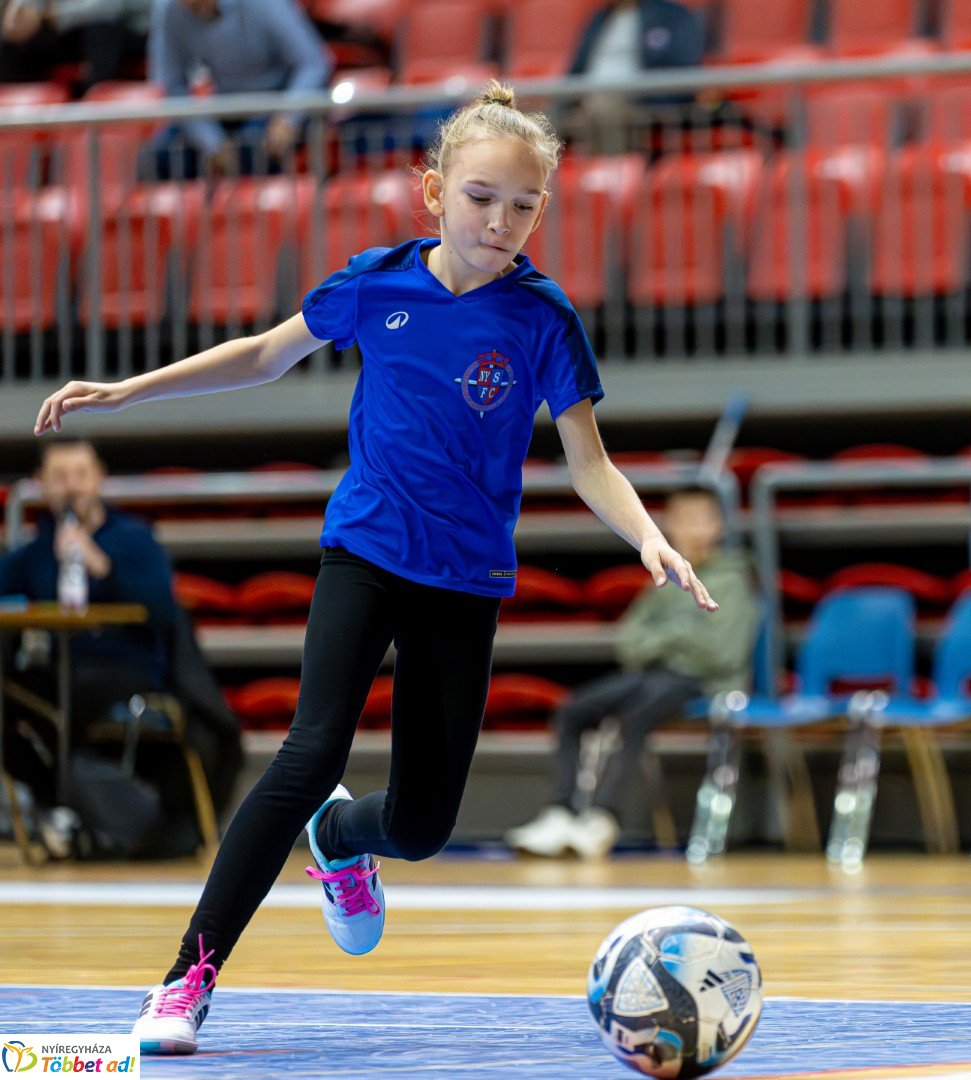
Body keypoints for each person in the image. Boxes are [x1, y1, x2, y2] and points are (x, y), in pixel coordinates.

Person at [33, 79, 717, 1055]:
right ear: (432, 190)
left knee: (425, 823)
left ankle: (344, 842)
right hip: (367, 548)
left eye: (525, 206)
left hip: (467, 578)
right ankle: (187, 978)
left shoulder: (542, 319)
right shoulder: (376, 283)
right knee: (308, 752)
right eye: (481, 197)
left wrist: (646, 534)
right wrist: (127, 392)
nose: (502, 220)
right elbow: (266, 354)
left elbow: (588, 459)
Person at [507, 486, 756, 859]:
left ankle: (603, 820)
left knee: (632, 717)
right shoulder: (666, 576)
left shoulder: (735, 579)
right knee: (574, 709)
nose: (691, 529)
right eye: (682, 520)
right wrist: (678, 638)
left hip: (703, 682)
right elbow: (630, 643)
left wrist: (665, 639)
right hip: (653, 675)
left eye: (700, 519)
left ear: (718, 525)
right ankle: (561, 811)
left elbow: (719, 653)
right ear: (668, 525)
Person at [0, 438, 181, 850]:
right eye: (59, 477)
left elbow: (163, 610)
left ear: (99, 478)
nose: (71, 488)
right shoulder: (38, 551)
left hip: (126, 671)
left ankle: (91, 811)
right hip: (65, 671)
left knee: (64, 699)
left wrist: (99, 563)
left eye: (80, 476)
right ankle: (58, 807)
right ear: (41, 484)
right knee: (12, 698)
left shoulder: (134, 539)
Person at [141, 0, 331, 180]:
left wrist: (289, 118)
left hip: (279, 99)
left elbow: (313, 63)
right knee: (158, 156)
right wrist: (211, 142)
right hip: (226, 106)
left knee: (254, 147)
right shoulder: (168, 8)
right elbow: (172, 86)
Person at [567, 0, 706, 148]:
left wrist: (650, 98)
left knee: (603, 106)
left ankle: (613, 167)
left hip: (644, 102)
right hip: (589, 100)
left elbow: (684, 68)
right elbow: (577, 69)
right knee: (542, 119)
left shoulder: (672, 15)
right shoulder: (599, 19)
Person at [0, 0, 148, 89]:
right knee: (9, 49)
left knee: (101, 34)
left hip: (129, 31)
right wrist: (19, 17)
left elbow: (110, 7)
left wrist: (50, 16)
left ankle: (95, 111)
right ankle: (19, 115)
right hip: (70, 32)